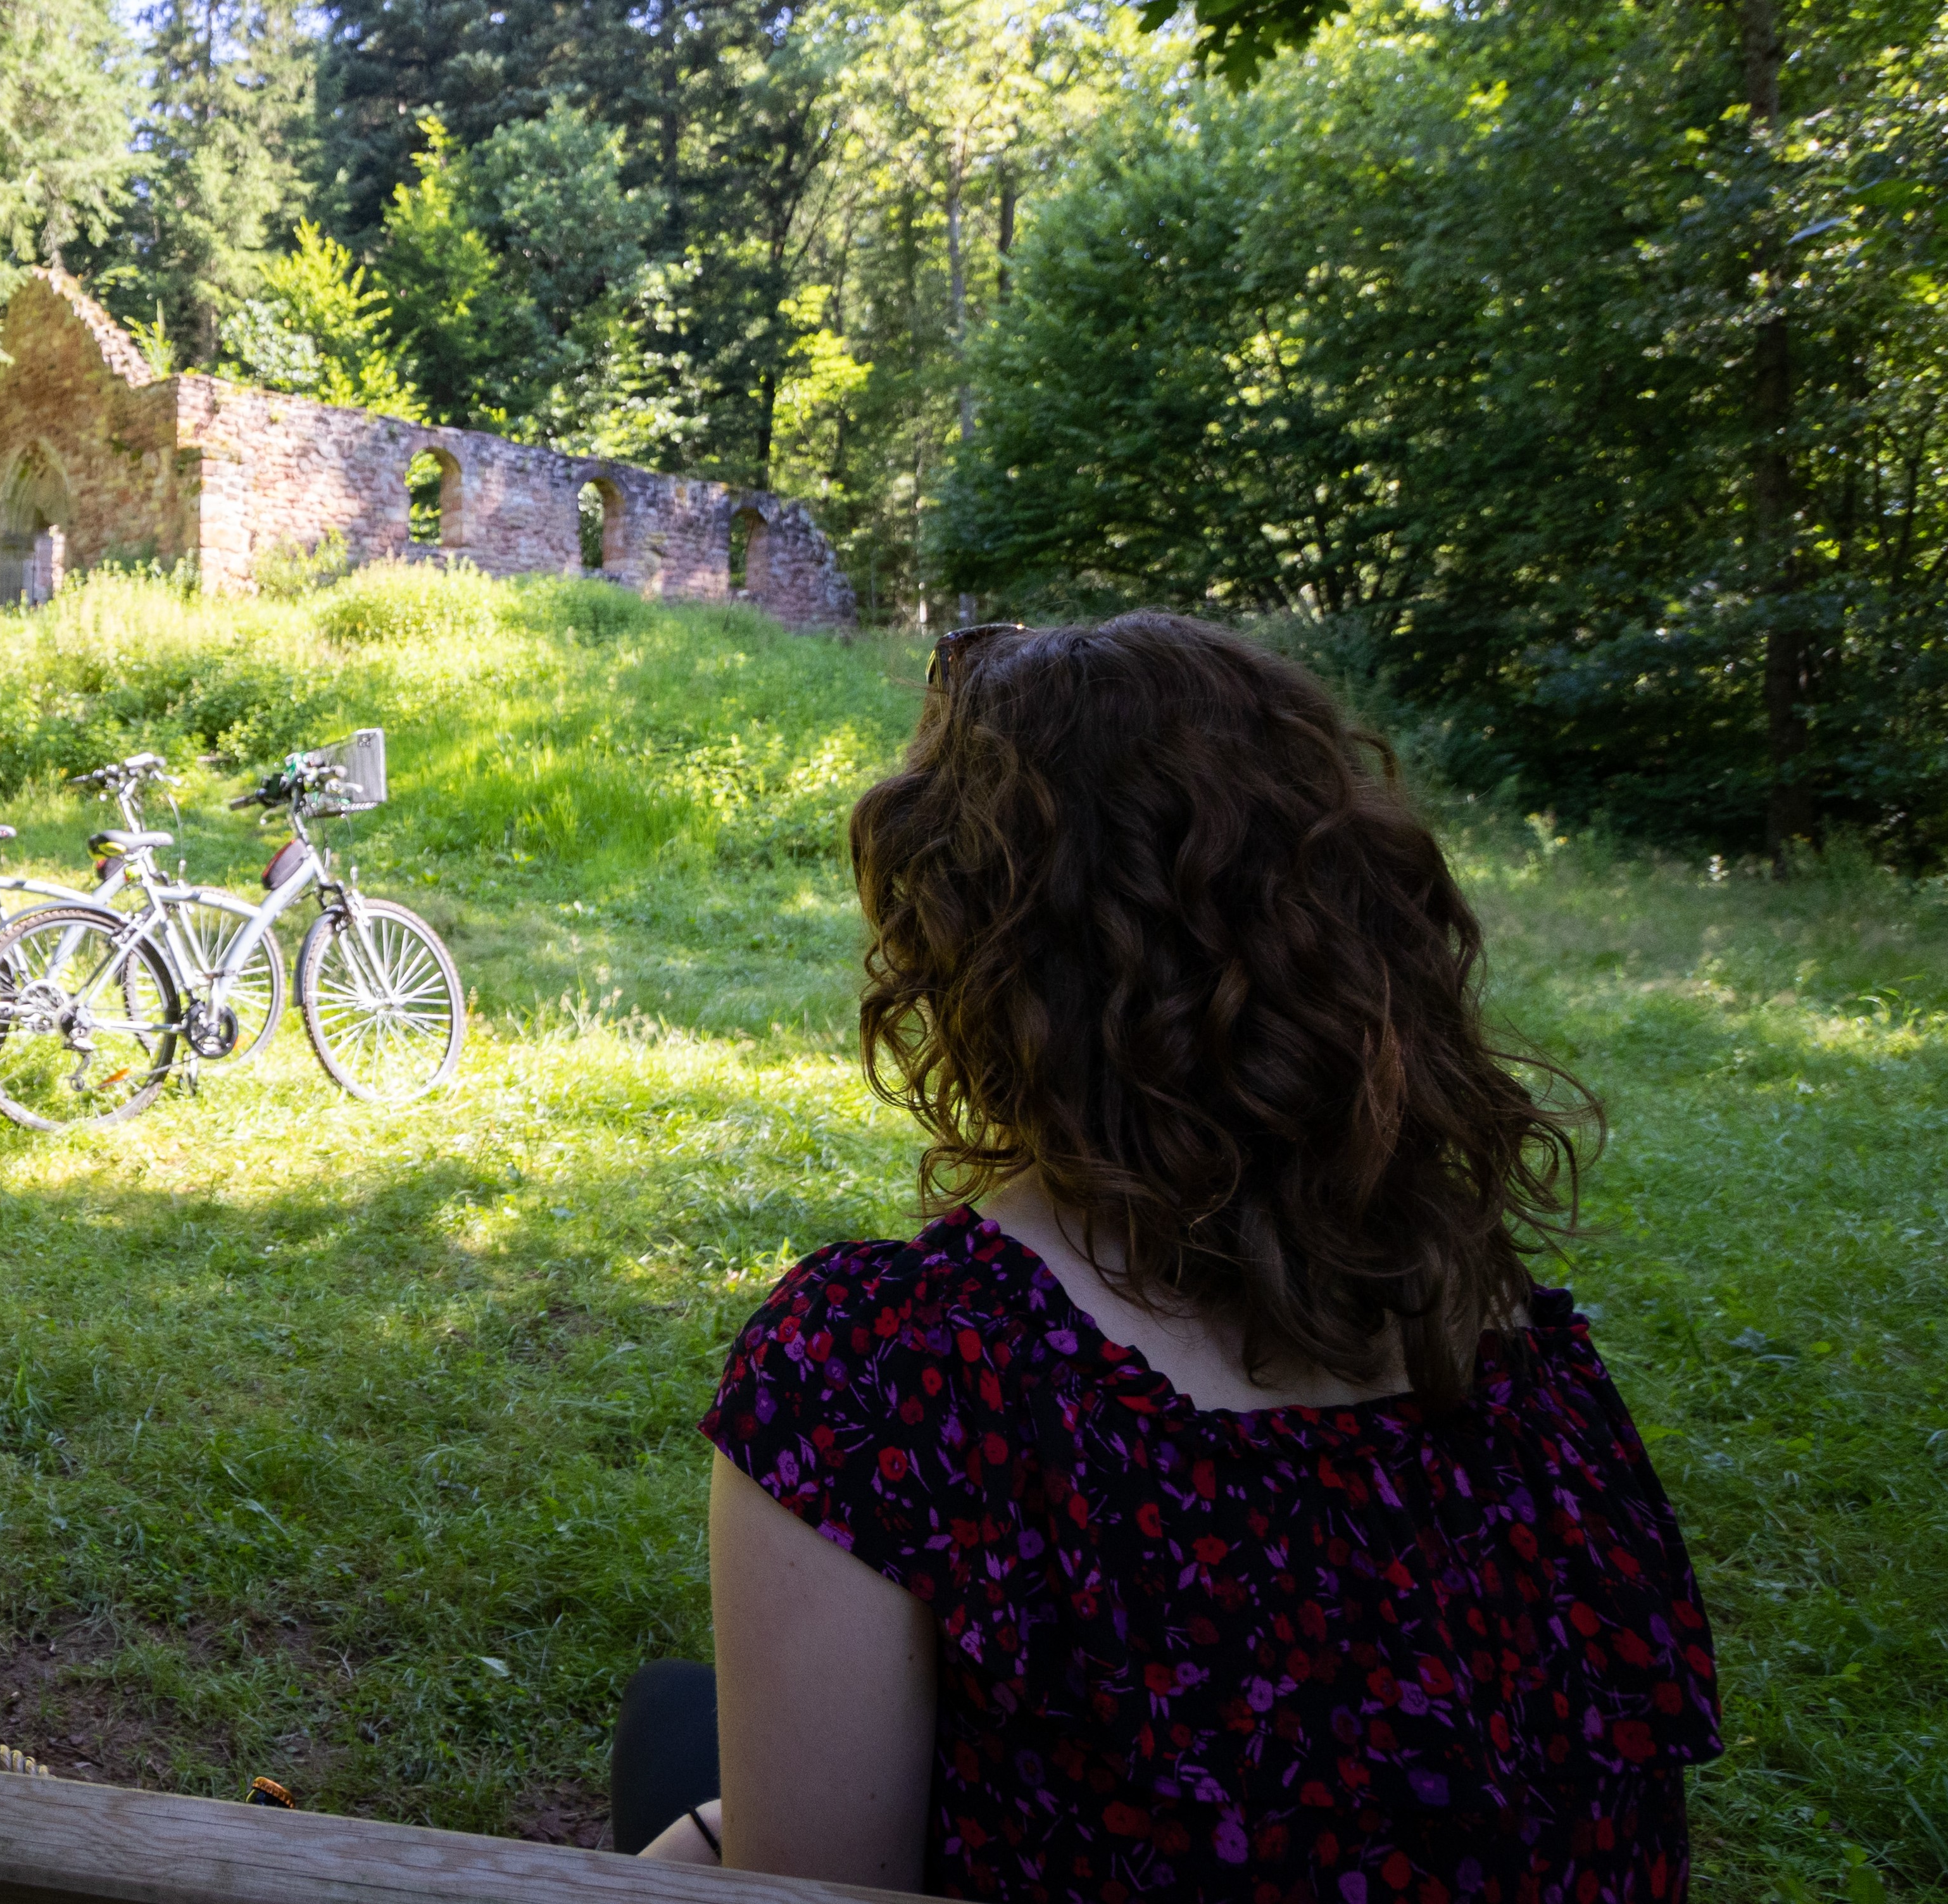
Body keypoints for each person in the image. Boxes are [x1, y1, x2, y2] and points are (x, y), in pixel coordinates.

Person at [619, 614, 1720, 1897]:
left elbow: (809, 1884)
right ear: (1349, 919)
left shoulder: (892, 1369)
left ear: (974, 951)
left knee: (672, 1744)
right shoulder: (1514, 1349)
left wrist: (695, 1841)